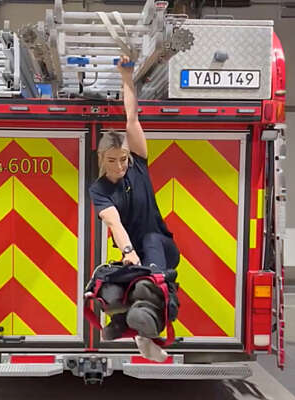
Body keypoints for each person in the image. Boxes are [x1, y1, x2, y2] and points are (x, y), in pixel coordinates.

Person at [88, 56, 180, 361]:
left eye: (123, 159)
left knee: (151, 242)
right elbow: (113, 222)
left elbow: (132, 119)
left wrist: (126, 77)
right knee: (117, 280)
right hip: (134, 253)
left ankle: (146, 327)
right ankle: (122, 319)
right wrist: (127, 251)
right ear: (102, 160)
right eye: (112, 161)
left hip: (161, 248)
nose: (120, 166)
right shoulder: (99, 190)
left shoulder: (139, 163)